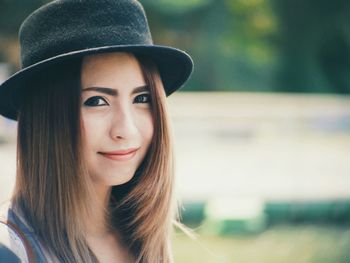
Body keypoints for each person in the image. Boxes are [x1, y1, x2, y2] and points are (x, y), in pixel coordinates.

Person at [0, 0, 193, 262]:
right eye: (96, 101)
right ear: (46, 120)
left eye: (142, 98)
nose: (126, 129)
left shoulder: (145, 239)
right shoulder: (11, 250)